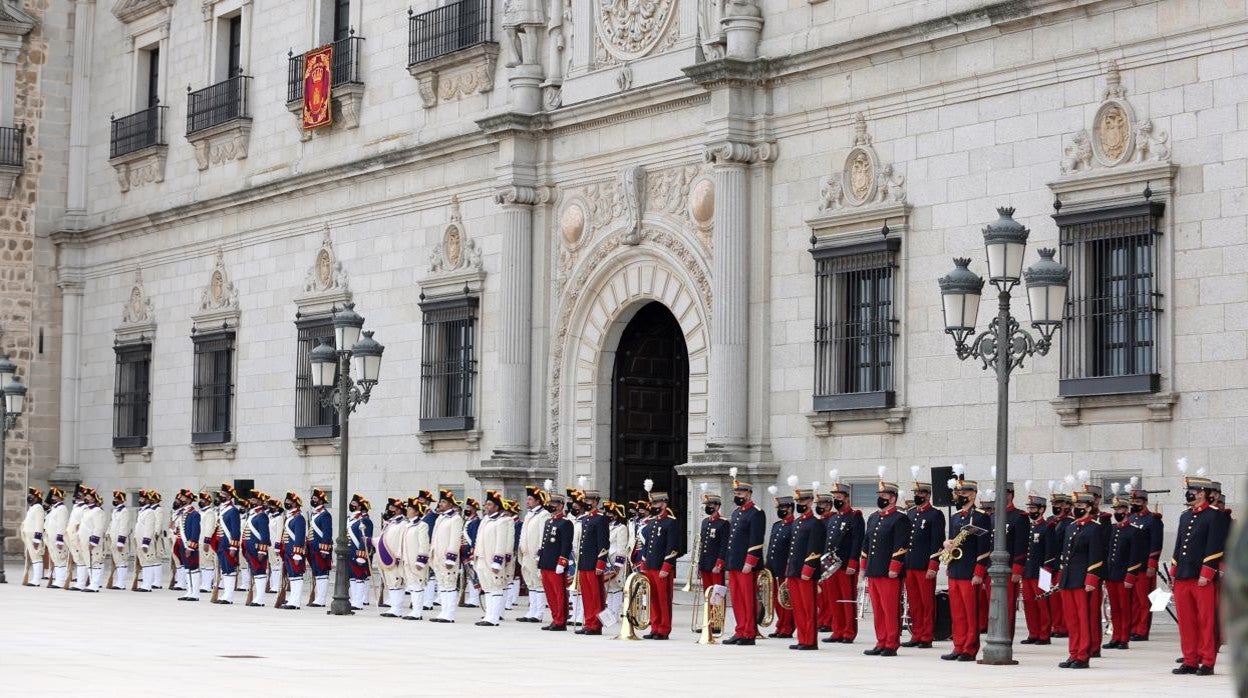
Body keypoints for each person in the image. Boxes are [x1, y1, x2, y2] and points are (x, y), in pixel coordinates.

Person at [1170, 475, 1227, 676]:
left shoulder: (1214, 516)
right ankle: (1190, 659)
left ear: (1202, 492)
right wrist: (1173, 573)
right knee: (1186, 622)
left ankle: (1208, 661)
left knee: (1205, 620)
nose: (1189, 494)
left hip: (1201, 578)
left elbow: (1215, 546)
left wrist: (1207, 573)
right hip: (1183, 576)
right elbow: (1178, 547)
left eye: (1192, 490)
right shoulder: (1185, 516)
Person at [941, 477, 990, 662]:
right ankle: (958, 645)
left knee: (971, 612)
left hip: (970, 571)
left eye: (964, 493)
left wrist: (979, 572)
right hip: (955, 568)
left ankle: (969, 648)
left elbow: (984, 546)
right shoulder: (955, 517)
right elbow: (952, 540)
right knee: (958, 612)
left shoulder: (980, 517)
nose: (960, 496)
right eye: (958, 493)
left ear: (973, 494)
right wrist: (947, 544)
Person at [861, 477, 911, 657]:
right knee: (878, 609)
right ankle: (880, 641)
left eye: (884, 495)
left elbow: (901, 544)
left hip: (889, 571)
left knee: (890, 609)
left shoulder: (900, 519)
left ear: (892, 498)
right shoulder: (874, 517)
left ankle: (891, 642)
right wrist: (863, 566)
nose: (880, 497)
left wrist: (895, 567)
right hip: (874, 569)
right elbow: (866, 543)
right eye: (879, 495)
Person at [1055, 491, 1103, 669]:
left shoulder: (1095, 528)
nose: (1077, 510)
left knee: (1083, 619)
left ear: (1089, 508)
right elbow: (1066, 555)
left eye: (1081, 507)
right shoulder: (1071, 527)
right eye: (1076, 507)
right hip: (1068, 579)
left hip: (1083, 580)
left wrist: (1091, 579)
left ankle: (1083, 655)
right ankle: (1073, 653)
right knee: (1072, 619)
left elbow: (1096, 556)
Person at [902, 474, 944, 648]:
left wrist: (933, 566)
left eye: (920, 493)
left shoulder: (935, 515)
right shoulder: (910, 513)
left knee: (927, 602)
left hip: (924, 565)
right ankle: (916, 634)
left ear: (928, 495)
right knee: (914, 602)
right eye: (916, 492)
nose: (917, 495)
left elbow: (937, 542)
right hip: (910, 564)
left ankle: (926, 636)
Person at [723, 474, 765, 646]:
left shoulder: (756, 513)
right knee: (737, 599)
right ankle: (740, 630)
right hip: (735, 561)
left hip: (746, 563)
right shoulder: (737, 512)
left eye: (740, 493)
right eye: (736, 493)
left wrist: (750, 561)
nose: (737, 496)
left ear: (748, 494)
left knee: (748, 598)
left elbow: (756, 539)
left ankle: (749, 632)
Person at [822, 478, 864, 644]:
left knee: (847, 599)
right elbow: (827, 542)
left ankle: (848, 631)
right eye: (835, 497)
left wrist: (853, 562)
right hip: (831, 565)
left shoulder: (855, 517)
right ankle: (837, 630)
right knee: (834, 598)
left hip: (846, 564)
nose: (837, 500)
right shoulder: (833, 518)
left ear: (847, 498)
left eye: (839, 497)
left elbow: (857, 541)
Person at [785, 483, 824, 651]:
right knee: (798, 607)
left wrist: (808, 569)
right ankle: (802, 638)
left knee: (808, 607)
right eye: (797, 501)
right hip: (795, 569)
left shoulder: (815, 523)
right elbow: (793, 549)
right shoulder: (797, 523)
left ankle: (810, 640)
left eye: (801, 501)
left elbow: (815, 549)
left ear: (809, 502)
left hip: (806, 571)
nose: (799, 504)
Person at [1104, 494, 1145, 650]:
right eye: (1116, 509)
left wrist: (1131, 575)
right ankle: (1115, 636)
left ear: (1127, 510)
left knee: (1125, 607)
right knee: (1114, 607)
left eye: (1120, 508)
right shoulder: (1112, 529)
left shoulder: (1133, 531)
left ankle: (1124, 638)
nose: (1117, 511)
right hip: (1111, 574)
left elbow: (1136, 556)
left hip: (1124, 575)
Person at [473, 491, 516, 627]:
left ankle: (494, 617)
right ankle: (488, 615)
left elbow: (502, 542)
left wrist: (498, 561)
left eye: (490, 504)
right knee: (487, 588)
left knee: (496, 587)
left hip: (493, 560)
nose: (486, 507)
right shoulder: (485, 520)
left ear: (497, 507)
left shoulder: (502, 521)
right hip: (481, 559)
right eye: (486, 504)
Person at [1127, 481, 1163, 642]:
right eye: (1133, 502)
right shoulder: (1130, 518)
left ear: (1145, 502)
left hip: (1143, 566)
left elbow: (1156, 544)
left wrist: (1152, 565)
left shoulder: (1152, 520)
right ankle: (1133, 627)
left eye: (1138, 502)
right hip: (1130, 566)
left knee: (1144, 600)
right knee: (1132, 600)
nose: (1135, 504)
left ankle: (1142, 630)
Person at [1020, 489, 1054, 645]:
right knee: (1028, 603)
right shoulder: (1027, 527)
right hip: (1027, 571)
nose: (1030, 511)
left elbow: (1050, 551)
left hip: (1042, 572)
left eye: (1033, 508)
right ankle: (1033, 633)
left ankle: (1044, 634)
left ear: (1041, 509)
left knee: (1042, 604)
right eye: (1029, 508)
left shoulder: (1047, 526)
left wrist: (1047, 571)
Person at [576, 487, 611, 636]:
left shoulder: (601, 518)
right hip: (584, 562)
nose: (587, 503)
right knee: (586, 595)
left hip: (594, 562)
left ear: (596, 502)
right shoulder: (586, 519)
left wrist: (601, 563)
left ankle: (596, 625)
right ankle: (588, 621)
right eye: (585, 500)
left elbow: (603, 543)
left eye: (589, 500)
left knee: (596, 596)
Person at [537, 490, 574, 631]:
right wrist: (539, 558)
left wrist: (562, 562)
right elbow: (545, 543)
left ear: (560, 505)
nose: (550, 505)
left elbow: (566, 545)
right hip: (546, 562)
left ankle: (561, 621)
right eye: (549, 503)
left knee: (559, 593)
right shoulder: (549, 521)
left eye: (553, 503)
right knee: (550, 593)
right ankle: (554, 618)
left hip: (556, 564)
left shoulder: (565, 523)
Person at [517, 483, 552, 623]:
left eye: (530, 499)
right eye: (528, 499)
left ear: (538, 501)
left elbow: (544, 536)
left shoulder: (543, 514)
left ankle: (538, 613)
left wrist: (540, 553)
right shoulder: (528, 515)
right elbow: (523, 533)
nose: (527, 502)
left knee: (538, 583)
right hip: (526, 554)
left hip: (535, 555)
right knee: (530, 583)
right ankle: (531, 610)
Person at [429, 489, 465, 623]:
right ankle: (443, 611)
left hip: (448, 557)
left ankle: (449, 614)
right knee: (442, 585)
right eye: (440, 501)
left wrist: (451, 557)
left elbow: (455, 540)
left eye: (444, 502)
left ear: (451, 504)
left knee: (449, 585)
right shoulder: (440, 518)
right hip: (438, 557)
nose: (440, 504)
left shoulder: (455, 519)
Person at [765, 487, 795, 639]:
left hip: (785, 567)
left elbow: (792, 549)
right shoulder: (777, 525)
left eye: (783, 507)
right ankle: (780, 625)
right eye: (779, 508)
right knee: (776, 599)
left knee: (786, 599)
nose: (781, 510)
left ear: (790, 508)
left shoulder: (793, 525)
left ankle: (787, 627)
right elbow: (771, 546)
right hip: (774, 566)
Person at [1047, 491, 1074, 638]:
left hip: (1061, 564)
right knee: (1052, 599)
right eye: (1053, 504)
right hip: (1049, 564)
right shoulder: (1050, 520)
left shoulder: (1069, 522)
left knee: (1060, 598)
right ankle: (1055, 625)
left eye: (1058, 504)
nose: (1055, 506)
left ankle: (1063, 627)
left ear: (1065, 505)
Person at [400, 497, 431, 620]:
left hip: (416, 561)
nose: (407, 510)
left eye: (410, 509)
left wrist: (421, 560)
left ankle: (418, 612)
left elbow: (424, 544)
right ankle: (415, 610)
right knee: (412, 586)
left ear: (417, 512)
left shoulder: (422, 525)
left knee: (417, 586)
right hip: (407, 560)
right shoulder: (407, 525)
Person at [278, 491, 308, 610]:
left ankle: (296, 602)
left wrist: (297, 554)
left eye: (289, 501)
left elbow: (299, 537)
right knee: (292, 576)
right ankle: (292, 599)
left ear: (295, 504)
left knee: (297, 576)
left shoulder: (299, 518)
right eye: (286, 501)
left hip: (295, 552)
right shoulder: (290, 517)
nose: (287, 503)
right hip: (288, 550)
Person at [212, 484, 242, 604]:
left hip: (228, 543)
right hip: (221, 543)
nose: (221, 496)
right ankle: (225, 594)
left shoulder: (233, 510)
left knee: (229, 569)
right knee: (224, 569)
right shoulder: (221, 509)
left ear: (229, 496)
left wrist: (234, 546)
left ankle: (229, 596)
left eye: (224, 494)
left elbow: (235, 530)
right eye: (221, 494)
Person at [695, 490, 729, 593]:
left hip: (715, 564)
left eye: (710, 504)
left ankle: (717, 610)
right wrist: (700, 564)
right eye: (707, 504)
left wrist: (719, 564)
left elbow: (724, 545)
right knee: (707, 593)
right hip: (705, 564)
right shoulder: (705, 522)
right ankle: (708, 610)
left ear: (717, 506)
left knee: (718, 595)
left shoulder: (723, 523)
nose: (707, 507)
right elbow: (702, 544)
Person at [78, 488, 110, 593]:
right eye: (85, 496)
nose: (86, 498)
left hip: (92, 541)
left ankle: (95, 584)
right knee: (88, 562)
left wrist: (93, 541)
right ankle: (90, 582)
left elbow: (98, 527)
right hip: (84, 539)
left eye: (88, 497)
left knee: (95, 561)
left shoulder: (97, 511)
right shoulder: (86, 510)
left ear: (93, 499)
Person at [242, 491, 271, 607]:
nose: (251, 502)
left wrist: (262, 550)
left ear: (259, 501)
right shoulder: (253, 515)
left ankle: (260, 598)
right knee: (255, 572)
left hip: (257, 549)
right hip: (250, 549)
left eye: (254, 500)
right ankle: (258, 597)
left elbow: (265, 536)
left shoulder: (262, 515)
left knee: (260, 571)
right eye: (251, 500)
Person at [131, 489, 162, 591]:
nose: (140, 500)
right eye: (140, 498)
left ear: (148, 500)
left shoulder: (149, 512)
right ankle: (145, 583)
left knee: (148, 562)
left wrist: (146, 543)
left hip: (145, 542)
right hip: (139, 540)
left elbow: (149, 528)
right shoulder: (142, 511)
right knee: (144, 563)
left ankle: (147, 585)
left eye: (143, 498)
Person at [348, 493, 375, 611]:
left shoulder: (364, 520)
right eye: (352, 503)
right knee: (352, 578)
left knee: (359, 577)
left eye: (354, 503)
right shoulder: (351, 519)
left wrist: (361, 554)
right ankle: (354, 600)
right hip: (350, 551)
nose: (351, 505)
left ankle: (358, 602)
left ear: (360, 506)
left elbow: (364, 538)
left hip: (358, 552)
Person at [307, 488, 333, 608]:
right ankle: (318, 597)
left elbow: (327, 534)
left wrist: (324, 549)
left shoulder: (325, 515)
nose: (313, 500)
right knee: (317, 573)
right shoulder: (314, 514)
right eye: (313, 498)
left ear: (321, 501)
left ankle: (321, 599)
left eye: (315, 499)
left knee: (322, 572)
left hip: (321, 548)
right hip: (313, 548)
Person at [604, 500, 630, 619]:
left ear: (615, 516)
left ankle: (615, 612)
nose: (607, 515)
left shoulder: (621, 528)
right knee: (607, 586)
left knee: (616, 586)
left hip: (615, 560)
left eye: (610, 514)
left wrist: (618, 565)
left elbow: (621, 547)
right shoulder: (605, 526)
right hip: (606, 559)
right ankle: (609, 612)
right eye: (607, 513)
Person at [169, 489, 193, 593]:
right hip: (177, 539)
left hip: (184, 540)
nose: (179, 501)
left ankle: (186, 584)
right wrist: (173, 528)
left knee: (187, 562)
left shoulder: (189, 512)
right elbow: (176, 527)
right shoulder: (178, 512)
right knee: (178, 561)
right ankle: (181, 582)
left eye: (182, 498)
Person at [21, 487, 46, 586]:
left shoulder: (38, 508)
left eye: (32, 496)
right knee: (32, 557)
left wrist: (37, 539)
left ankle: (37, 580)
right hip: (28, 537)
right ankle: (35, 578)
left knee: (36, 558)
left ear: (37, 498)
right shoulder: (32, 507)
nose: (30, 497)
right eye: (30, 495)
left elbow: (39, 524)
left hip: (34, 537)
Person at [196, 490, 218, 596]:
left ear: (208, 502)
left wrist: (207, 541)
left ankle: (207, 585)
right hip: (199, 540)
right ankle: (204, 583)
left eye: (203, 500)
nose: (201, 501)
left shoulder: (209, 513)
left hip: (206, 541)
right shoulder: (201, 512)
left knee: (208, 562)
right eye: (200, 499)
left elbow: (210, 528)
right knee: (203, 563)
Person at [461, 498, 482, 609]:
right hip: (464, 551)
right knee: (469, 576)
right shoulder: (468, 520)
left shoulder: (475, 521)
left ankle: (475, 599)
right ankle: (472, 598)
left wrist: (472, 550)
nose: (466, 510)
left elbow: (474, 538)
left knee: (474, 576)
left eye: (468, 508)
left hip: (470, 551)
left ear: (474, 509)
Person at [66, 485, 87, 591]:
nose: (78, 496)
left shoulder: (85, 507)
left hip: (79, 536)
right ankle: (80, 582)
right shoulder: (76, 506)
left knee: (82, 559)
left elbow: (83, 523)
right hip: (72, 536)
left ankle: (82, 583)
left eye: (80, 494)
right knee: (78, 559)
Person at [266, 496, 285, 594]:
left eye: (273, 506)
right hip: (269, 544)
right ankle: (273, 584)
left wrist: (278, 545)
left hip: (275, 544)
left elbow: (279, 532)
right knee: (272, 565)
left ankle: (277, 586)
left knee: (277, 565)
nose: (271, 507)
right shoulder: (270, 517)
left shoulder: (279, 518)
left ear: (277, 507)